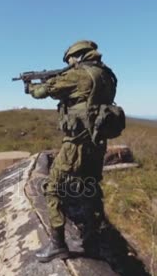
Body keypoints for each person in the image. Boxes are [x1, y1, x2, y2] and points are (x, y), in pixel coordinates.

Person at [27, 40, 118, 262]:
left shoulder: (78, 74)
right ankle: (91, 240)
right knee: (90, 187)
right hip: (97, 143)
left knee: (52, 188)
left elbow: (41, 92)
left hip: (76, 143)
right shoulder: (107, 75)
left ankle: (58, 244)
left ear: (77, 57)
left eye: (70, 60)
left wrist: (30, 87)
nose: (70, 64)